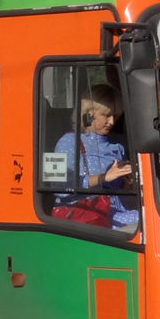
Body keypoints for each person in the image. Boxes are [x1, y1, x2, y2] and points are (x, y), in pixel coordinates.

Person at [52, 85, 138, 229]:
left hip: (115, 213)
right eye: (107, 115)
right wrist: (103, 177)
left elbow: (122, 198)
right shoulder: (67, 141)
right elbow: (57, 186)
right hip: (85, 213)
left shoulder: (117, 147)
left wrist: (129, 182)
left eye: (115, 116)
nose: (112, 122)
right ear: (88, 113)